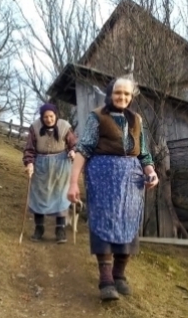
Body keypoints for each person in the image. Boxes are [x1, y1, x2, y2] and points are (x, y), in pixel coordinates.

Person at [67, 77, 159, 301]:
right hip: (103, 177)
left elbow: (144, 153)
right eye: (119, 93)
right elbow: (84, 150)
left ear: (132, 97)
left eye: (127, 94)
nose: (123, 97)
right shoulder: (97, 116)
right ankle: (106, 279)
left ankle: (120, 275)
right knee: (104, 222)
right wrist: (73, 182)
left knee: (128, 223)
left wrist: (151, 172)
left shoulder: (136, 119)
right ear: (110, 93)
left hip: (131, 181)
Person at [23, 103, 78, 244]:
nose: (49, 119)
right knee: (38, 197)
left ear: (56, 115)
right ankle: (39, 229)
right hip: (41, 165)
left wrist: (73, 151)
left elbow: (75, 144)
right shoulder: (34, 127)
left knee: (61, 196)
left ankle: (60, 230)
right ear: (42, 117)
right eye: (45, 117)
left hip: (61, 165)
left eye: (51, 116)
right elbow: (29, 149)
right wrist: (29, 163)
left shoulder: (65, 126)